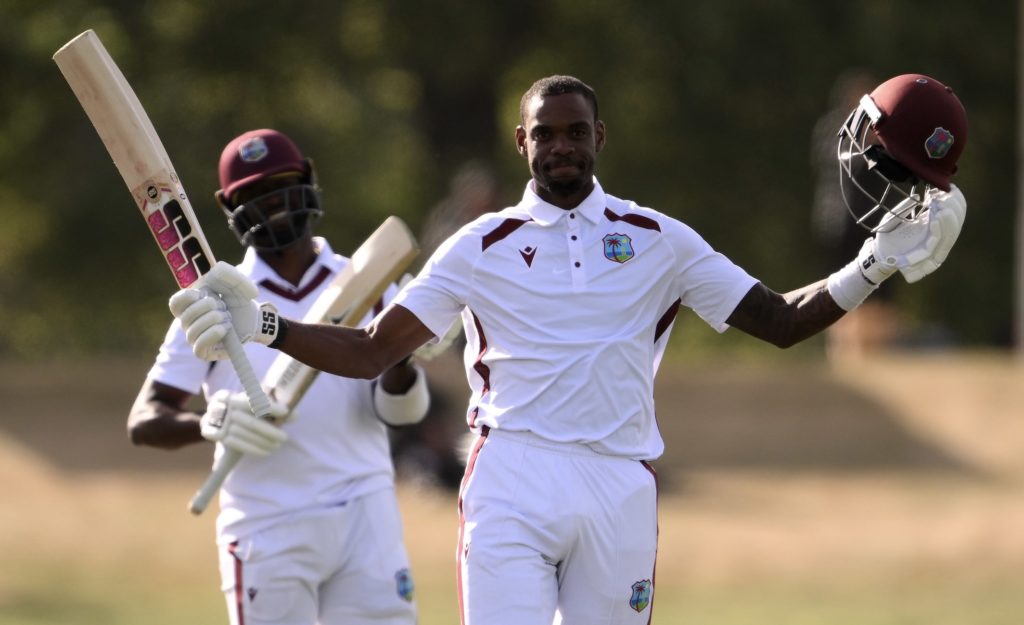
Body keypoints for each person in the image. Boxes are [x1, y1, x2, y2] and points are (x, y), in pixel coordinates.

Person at [168, 75, 968, 625]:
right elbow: (375, 348)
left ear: (599, 138)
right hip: (511, 474)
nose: (562, 148)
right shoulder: (479, 242)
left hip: (619, 479)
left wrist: (872, 266)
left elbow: (781, 320)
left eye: (576, 133)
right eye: (545, 135)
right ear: (522, 142)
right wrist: (264, 325)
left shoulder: (660, 239)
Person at [127, 128, 430, 625]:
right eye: (253, 195)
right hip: (266, 523)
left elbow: (402, 411)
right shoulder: (215, 301)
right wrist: (209, 425)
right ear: (230, 207)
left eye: (281, 184)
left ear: (308, 180)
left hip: (365, 512)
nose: (272, 203)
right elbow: (144, 421)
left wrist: (401, 355)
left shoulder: (371, 281)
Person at [811, 70, 903, 362]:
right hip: (848, 222)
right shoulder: (844, 130)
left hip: (857, 221)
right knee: (847, 288)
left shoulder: (839, 129)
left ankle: (865, 354)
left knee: (866, 290)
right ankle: (849, 354)